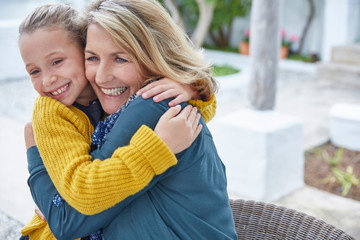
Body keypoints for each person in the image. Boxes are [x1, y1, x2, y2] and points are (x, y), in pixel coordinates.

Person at [18, 3, 217, 239]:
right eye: (34, 72)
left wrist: (191, 87)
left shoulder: (108, 95)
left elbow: (191, 119)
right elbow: (76, 200)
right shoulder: (51, 109)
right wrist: (157, 148)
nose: (48, 80)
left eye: (57, 62)